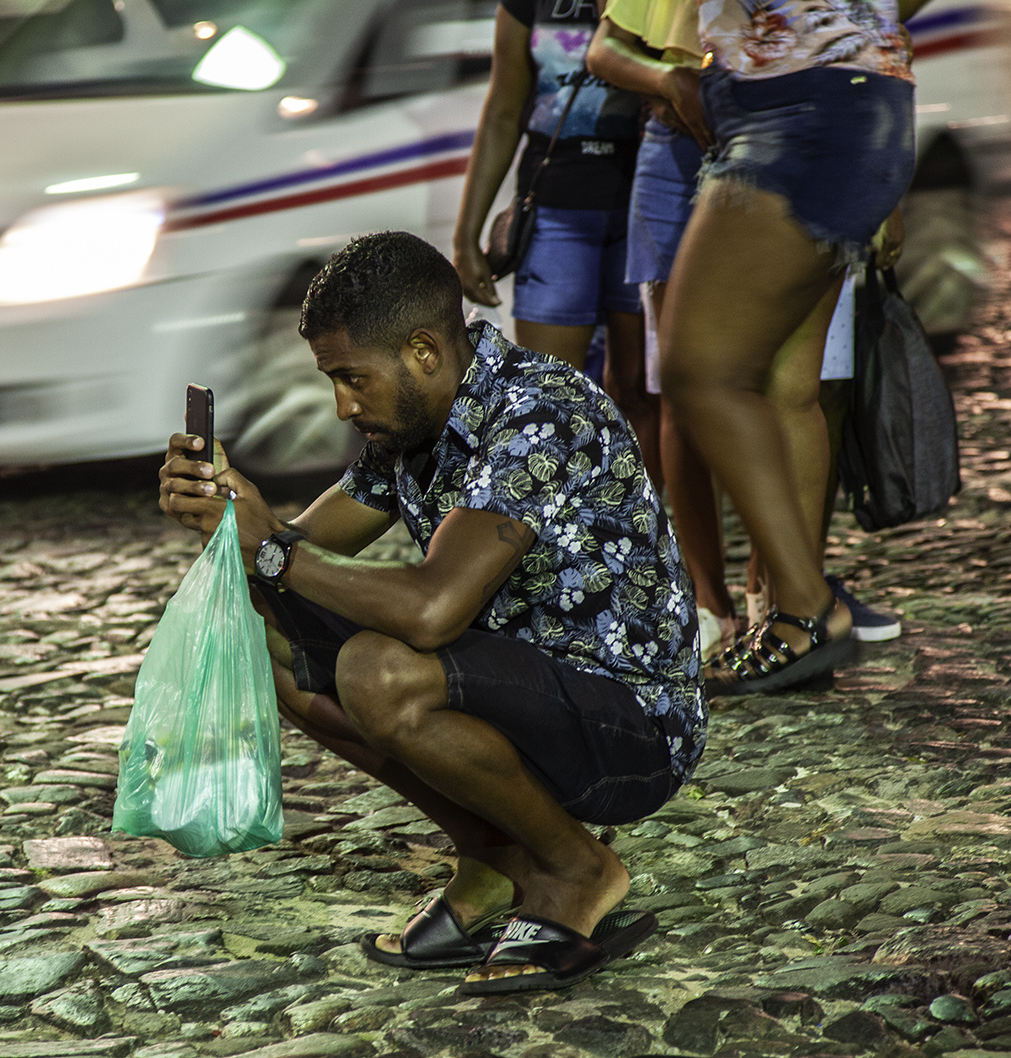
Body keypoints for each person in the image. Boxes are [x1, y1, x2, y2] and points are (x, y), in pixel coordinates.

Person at [159, 232, 706, 993]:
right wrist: (231, 517)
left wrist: (274, 551)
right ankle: (494, 856)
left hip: (630, 727)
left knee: (383, 671)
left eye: (352, 378)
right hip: (519, 691)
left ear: (422, 350)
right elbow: (290, 559)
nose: (343, 405)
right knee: (261, 627)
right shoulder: (416, 424)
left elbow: (431, 613)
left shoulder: (536, 414)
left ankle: (577, 869)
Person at [658, 0, 922, 694]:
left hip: (802, 113)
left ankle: (806, 611)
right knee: (777, 379)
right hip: (828, 103)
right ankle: (791, 612)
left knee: (700, 372)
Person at [453, 0, 660, 491]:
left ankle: (639, 533)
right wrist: (466, 237)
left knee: (638, 393)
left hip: (645, 206)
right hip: (555, 207)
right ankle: (562, 536)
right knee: (551, 398)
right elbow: (503, 110)